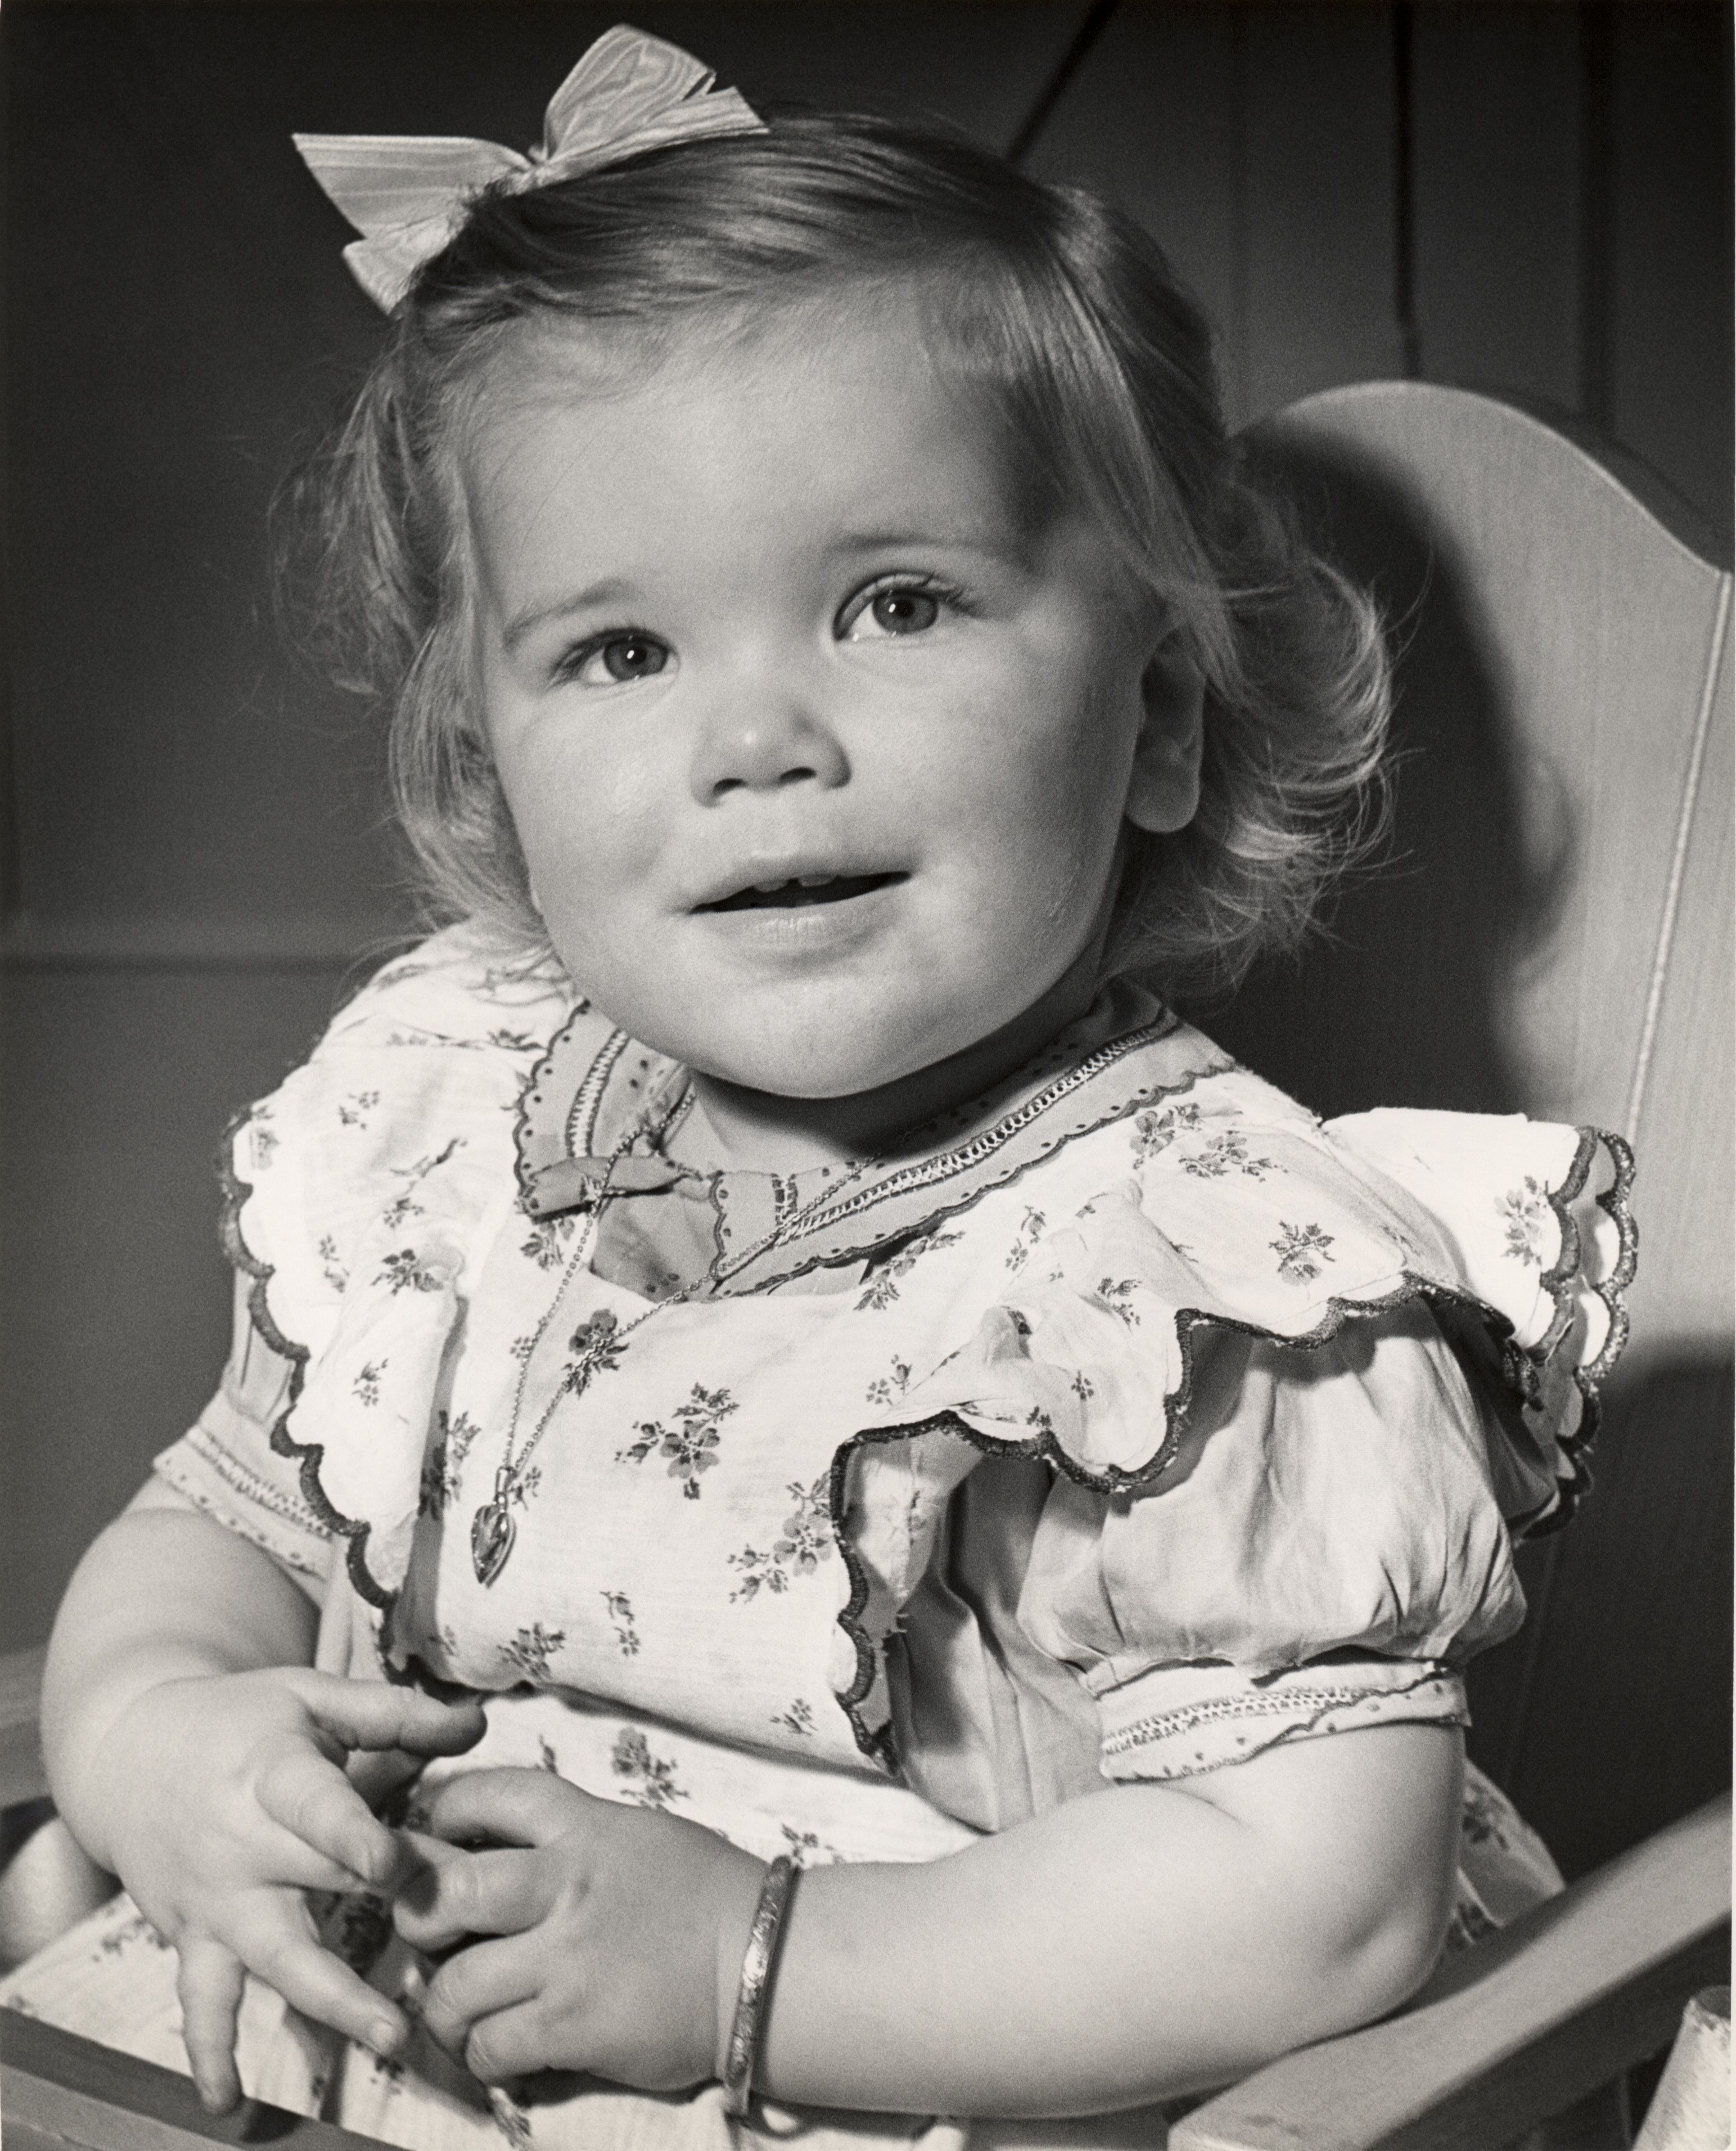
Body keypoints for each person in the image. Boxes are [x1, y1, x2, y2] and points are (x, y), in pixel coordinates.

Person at [1, 25, 1633, 2150]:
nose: (756, 740)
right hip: (417, 2025)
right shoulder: (448, 1121)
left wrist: (746, 1965)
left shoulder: (1199, 1290)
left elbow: (1314, 1905)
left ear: (1151, 719)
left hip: (958, 2058)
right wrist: (162, 1735)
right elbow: (219, 1519)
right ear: (484, 756)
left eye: (896, 602)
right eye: (620, 652)